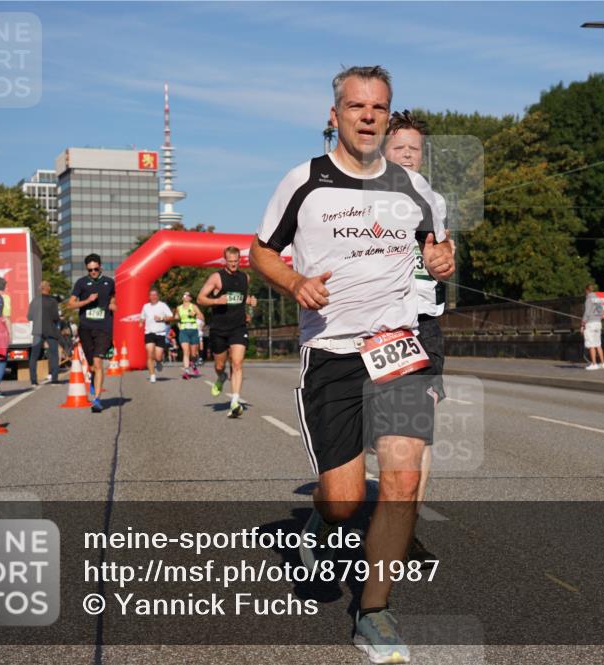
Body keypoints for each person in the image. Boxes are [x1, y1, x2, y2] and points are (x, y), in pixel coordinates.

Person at [249, 65, 453, 663]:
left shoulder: (413, 188)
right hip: (333, 353)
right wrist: (294, 281)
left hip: (397, 347)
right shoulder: (304, 182)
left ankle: (374, 610)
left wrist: (442, 261)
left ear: (388, 116)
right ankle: (320, 523)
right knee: (341, 501)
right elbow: (260, 252)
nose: (368, 116)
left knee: (403, 478)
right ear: (334, 115)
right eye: (356, 106)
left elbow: (437, 246)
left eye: (378, 107)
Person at [383, 109, 452, 569]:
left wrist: (442, 260)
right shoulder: (361, 196)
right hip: (377, 326)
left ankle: (406, 532)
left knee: (417, 439)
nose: (407, 154)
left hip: (423, 325)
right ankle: (335, 515)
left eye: (414, 149)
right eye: (398, 147)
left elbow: (443, 252)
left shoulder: (435, 200)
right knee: (363, 443)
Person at [197, 246, 258, 418]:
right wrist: (217, 300)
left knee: (237, 363)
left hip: (238, 327)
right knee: (219, 365)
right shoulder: (217, 277)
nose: (233, 264)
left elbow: (240, 298)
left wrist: (250, 301)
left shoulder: (245, 277)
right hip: (219, 328)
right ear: (225, 260)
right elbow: (200, 298)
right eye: (230, 262)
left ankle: (235, 401)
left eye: (235, 261)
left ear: (240, 260)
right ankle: (221, 377)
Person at [66, 254, 117, 412]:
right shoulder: (81, 283)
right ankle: (94, 384)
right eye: (90, 270)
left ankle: (97, 400)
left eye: (96, 269)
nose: (93, 272)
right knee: (92, 366)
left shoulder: (109, 282)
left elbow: (113, 298)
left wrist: (113, 305)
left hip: (104, 327)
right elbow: (70, 304)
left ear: (100, 266)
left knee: (98, 362)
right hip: (86, 328)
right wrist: (87, 301)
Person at [28, 280, 61, 385]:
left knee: (34, 356)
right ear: (48, 288)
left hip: (37, 330)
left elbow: (29, 316)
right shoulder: (52, 301)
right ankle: (54, 379)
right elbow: (56, 317)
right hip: (50, 330)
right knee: (54, 354)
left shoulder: (35, 300)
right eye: (49, 286)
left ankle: (33, 380)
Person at [139, 288, 173, 383]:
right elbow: (142, 317)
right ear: (149, 297)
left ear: (158, 296)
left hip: (160, 333)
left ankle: (158, 362)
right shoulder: (145, 306)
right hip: (149, 333)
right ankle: (152, 375)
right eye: (151, 295)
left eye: (155, 295)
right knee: (149, 354)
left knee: (158, 356)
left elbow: (171, 317)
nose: (153, 297)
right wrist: (141, 323)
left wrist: (162, 318)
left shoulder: (163, 305)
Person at [176, 292, 204, 379]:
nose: (186, 296)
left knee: (194, 354)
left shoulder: (194, 306)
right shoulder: (179, 308)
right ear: (182, 298)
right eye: (184, 295)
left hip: (193, 330)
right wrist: (178, 325)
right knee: (186, 352)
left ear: (190, 298)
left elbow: (201, 316)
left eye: (188, 295)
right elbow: (176, 318)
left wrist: (196, 314)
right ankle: (186, 372)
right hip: (184, 331)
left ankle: (193, 364)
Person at [582, 284, 604, 370]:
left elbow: (587, 313)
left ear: (587, 290)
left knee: (591, 344)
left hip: (590, 324)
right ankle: (603, 363)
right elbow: (602, 313)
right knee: (598, 344)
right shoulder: (599, 299)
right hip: (598, 323)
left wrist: (583, 323)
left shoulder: (589, 299)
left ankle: (594, 364)